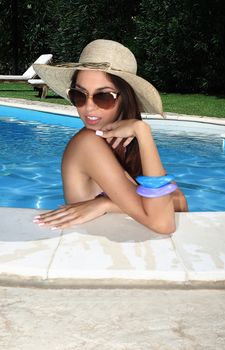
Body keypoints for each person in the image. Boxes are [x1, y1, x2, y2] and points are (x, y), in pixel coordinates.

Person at [33, 39, 188, 234]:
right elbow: (163, 222)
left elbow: (180, 202)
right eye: (79, 95)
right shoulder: (87, 143)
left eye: (103, 96)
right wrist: (144, 133)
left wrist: (106, 205)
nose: (88, 107)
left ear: (125, 98)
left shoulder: (125, 143)